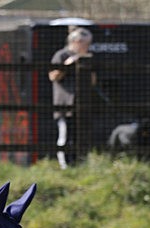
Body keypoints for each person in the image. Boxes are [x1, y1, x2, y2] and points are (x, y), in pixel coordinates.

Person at [48, 27, 94, 169]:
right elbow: (53, 77)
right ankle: (64, 165)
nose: (87, 47)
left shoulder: (87, 58)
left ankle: (79, 163)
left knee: (79, 136)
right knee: (65, 135)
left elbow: (93, 82)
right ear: (76, 41)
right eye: (85, 43)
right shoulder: (61, 55)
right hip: (64, 103)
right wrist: (68, 64)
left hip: (82, 104)